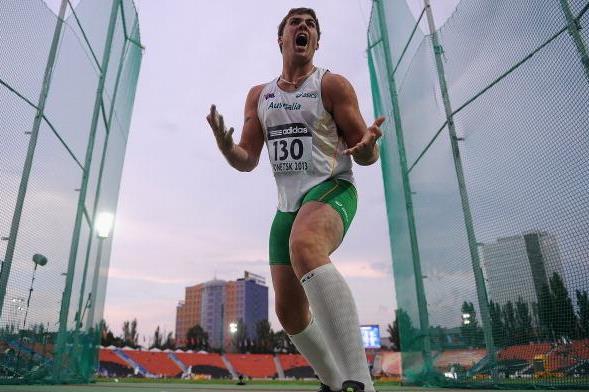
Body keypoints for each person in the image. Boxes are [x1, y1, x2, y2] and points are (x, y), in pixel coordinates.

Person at [206, 7, 383, 392]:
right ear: (281, 38)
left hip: (332, 186)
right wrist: (226, 147)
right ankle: (334, 382)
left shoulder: (332, 85)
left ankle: (360, 381)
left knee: (305, 244)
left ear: (317, 41)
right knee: (288, 312)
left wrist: (369, 148)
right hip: (287, 206)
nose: (304, 26)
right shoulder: (259, 95)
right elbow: (247, 160)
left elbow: (366, 154)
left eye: (311, 24)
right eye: (295, 22)